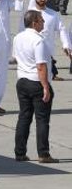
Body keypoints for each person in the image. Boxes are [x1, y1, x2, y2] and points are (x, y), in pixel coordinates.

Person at [13, 9, 56, 163]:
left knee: (24, 117)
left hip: (22, 81)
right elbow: (41, 66)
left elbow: (16, 58)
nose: (44, 22)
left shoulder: (18, 37)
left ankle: (19, 152)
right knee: (42, 119)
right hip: (36, 82)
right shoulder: (38, 40)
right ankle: (43, 153)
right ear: (34, 22)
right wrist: (45, 87)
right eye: (41, 20)